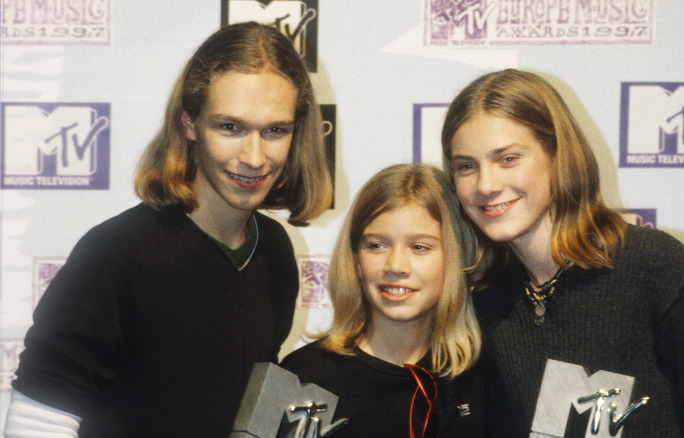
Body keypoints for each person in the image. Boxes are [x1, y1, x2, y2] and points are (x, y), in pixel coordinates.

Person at [5, 21, 332, 438]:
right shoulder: (114, 255)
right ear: (188, 124)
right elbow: (37, 423)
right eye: (230, 127)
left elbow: (256, 414)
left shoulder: (275, 251)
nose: (254, 156)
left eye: (274, 131)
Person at [440, 69, 684, 437]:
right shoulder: (481, 300)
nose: (486, 184)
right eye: (466, 166)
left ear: (556, 155)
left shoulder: (655, 266)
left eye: (508, 159)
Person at [281, 163, 486, 438]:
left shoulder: (479, 376)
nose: (396, 266)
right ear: (355, 260)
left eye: (419, 247)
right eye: (376, 245)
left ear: (455, 256)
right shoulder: (297, 378)